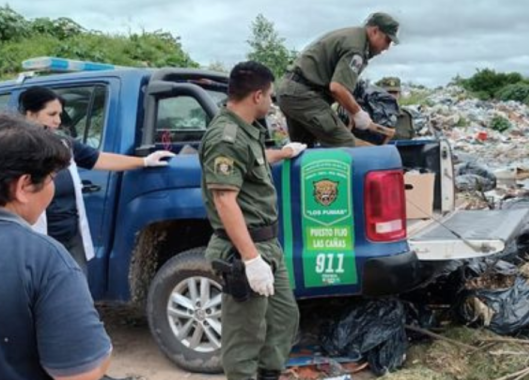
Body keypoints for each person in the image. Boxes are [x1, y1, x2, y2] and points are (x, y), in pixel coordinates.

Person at [0, 114, 112, 380]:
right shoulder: (43, 258)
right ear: (23, 186)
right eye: (52, 178)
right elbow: (81, 373)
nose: (53, 187)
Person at [200, 61, 306, 380]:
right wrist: (251, 260)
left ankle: (269, 374)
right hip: (243, 248)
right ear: (257, 96)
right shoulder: (226, 136)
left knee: (284, 318)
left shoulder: (246, 130)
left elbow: (253, 160)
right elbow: (224, 199)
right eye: (271, 97)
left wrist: (284, 153)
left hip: (267, 244)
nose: (272, 104)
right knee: (245, 336)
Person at [20, 86, 175, 272]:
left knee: (76, 289)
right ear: (30, 114)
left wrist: (144, 161)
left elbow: (99, 159)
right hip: (36, 240)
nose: (58, 121)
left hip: (70, 239)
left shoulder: (63, 144)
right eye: (51, 114)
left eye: (60, 114)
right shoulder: (14, 149)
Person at [277, 12, 400, 147]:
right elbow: (338, 87)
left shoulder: (352, 37)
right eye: (387, 40)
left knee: (302, 148)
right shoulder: (356, 48)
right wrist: (358, 113)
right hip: (304, 95)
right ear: (375, 31)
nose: (387, 47)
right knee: (346, 144)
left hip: (291, 92)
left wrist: (352, 111)